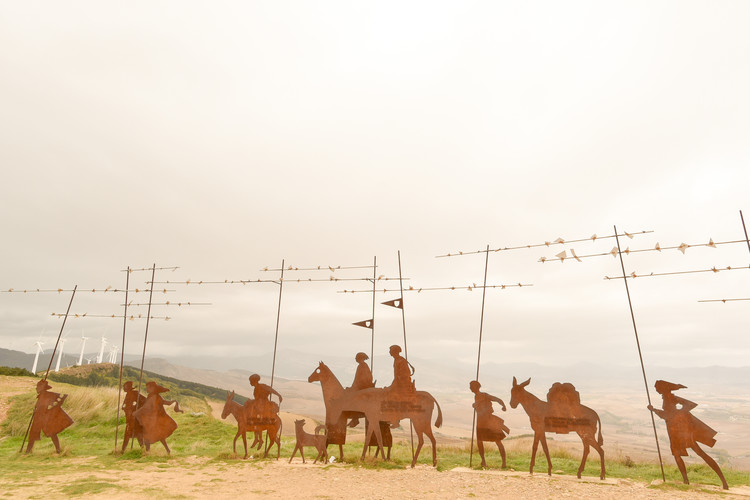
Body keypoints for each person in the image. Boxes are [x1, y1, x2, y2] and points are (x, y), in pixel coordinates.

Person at [648, 380, 728, 490]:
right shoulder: (666, 397)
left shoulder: (671, 397)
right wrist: (655, 410)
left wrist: (678, 414)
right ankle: (686, 480)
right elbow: (667, 415)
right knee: (679, 455)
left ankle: (722, 481)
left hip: (679, 431)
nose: (655, 389)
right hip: (674, 431)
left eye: (657, 387)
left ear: (662, 387)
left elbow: (688, 406)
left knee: (698, 453)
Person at [134, 381, 183, 454]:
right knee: (160, 436)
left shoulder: (154, 397)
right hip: (156, 419)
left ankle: (148, 452)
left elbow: (145, 407)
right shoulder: (155, 396)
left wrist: (136, 413)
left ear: (152, 388)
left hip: (153, 420)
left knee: (147, 436)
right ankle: (167, 450)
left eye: (148, 388)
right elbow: (166, 403)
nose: (146, 389)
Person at [26, 379, 73, 453]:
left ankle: (58, 450)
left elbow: (62, 397)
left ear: (42, 387)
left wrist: (52, 408)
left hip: (46, 417)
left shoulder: (49, 395)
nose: (36, 388)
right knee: (33, 433)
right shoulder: (40, 396)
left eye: (38, 386)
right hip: (38, 417)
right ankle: (28, 451)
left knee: (52, 433)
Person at [470, 380, 509, 468]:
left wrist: (503, 405)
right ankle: (483, 461)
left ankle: (504, 463)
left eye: (471, 386)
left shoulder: (485, 395)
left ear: (476, 387)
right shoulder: (476, 396)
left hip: (488, 421)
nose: (470, 388)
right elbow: (479, 407)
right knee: (480, 441)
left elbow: (497, 399)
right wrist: (475, 405)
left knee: (497, 441)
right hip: (480, 421)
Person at [347, 352, 375, 428]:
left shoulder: (362, 366)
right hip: (362, 387)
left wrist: (353, 388)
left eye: (356, 357)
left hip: (363, 387)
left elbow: (359, 379)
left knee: (353, 398)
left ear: (360, 358)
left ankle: (355, 418)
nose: (355, 359)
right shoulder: (362, 365)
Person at [121, 380, 146, 452]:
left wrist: (135, 408)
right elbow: (127, 405)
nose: (124, 388)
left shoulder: (135, 393)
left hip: (134, 418)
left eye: (125, 387)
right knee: (132, 434)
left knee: (135, 434)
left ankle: (123, 450)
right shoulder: (128, 394)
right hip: (129, 417)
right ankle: (123, 450)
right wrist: (125, 408)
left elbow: (144, 400)